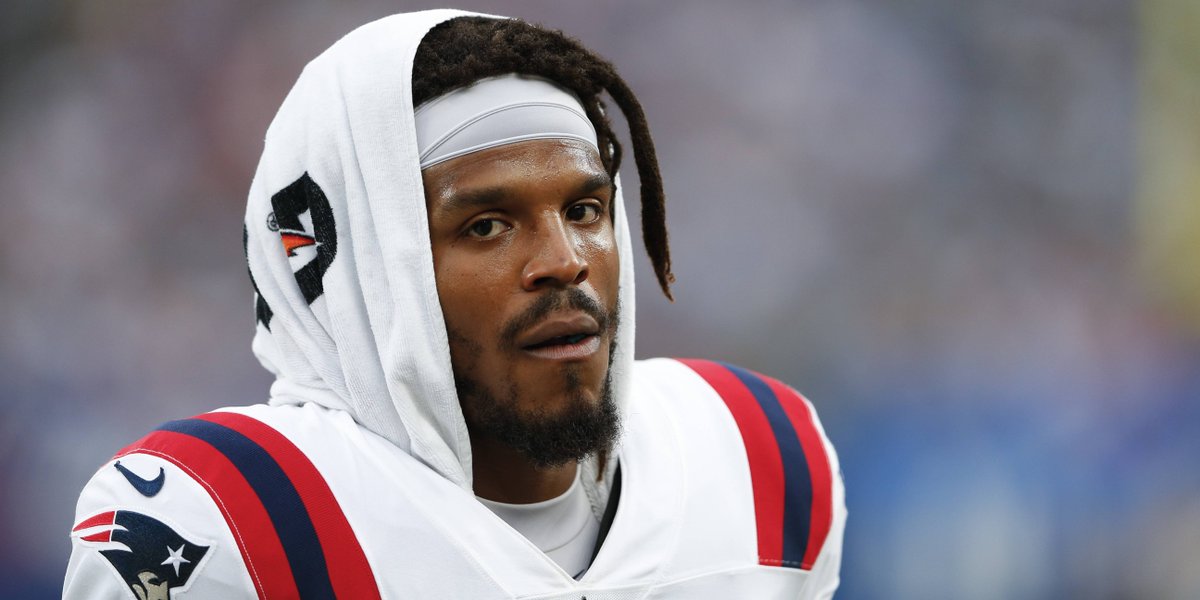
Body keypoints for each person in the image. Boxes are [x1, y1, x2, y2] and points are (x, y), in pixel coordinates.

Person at [64, 9, 846, 599]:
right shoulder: (229, 518)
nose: (565, 261)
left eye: (584, 209)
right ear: (360, 270)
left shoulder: (756, 455)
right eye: (487, 225)